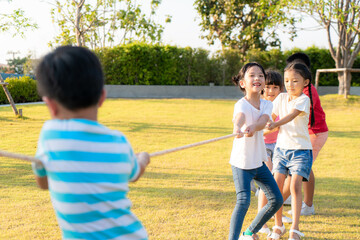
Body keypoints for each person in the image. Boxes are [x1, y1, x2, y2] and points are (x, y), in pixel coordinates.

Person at [31, 46, 150, 240]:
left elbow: (43, 184)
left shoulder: (50, 136)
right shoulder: (119, 142)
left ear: (50, 105)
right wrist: (143, 158)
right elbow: (135, 174)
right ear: (102, 97)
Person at [229, 63, 283, 240]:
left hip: (258, 162)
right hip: (241, 162)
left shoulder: (267, 104)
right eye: (252, 75)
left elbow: (263, 121)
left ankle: (249, 233)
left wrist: (253, 127)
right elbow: (240, 116)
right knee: (243, 202)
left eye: (260, 75)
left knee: (276, 200)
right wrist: (238, 127)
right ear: (243, 83)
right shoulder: (241, 104)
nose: (257, 78)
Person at [267, 63, 314, 240]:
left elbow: (290, 116)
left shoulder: (303, 100)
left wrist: (274, 124)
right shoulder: (280, 98)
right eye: (287, 80)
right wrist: (259, 128)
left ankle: (295, 228)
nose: (290, 84)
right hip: (281, 150)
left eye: (295, 81)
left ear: (305, 82)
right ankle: (278, 226)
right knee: (276, 187)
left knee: (294, 186)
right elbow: (269, 118)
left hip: (300, 151)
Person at [283, 53, 329, 216]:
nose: (291, 80)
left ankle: (278, 202)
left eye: (296, 75)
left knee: (298, 168)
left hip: (315, 133)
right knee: (305, 168)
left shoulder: (308, 92)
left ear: (305, 75)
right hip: (306, 134)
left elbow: (297, 113)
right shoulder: (296, 91)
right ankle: (306, 204)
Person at [257, 70, 292, 235]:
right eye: (268, 87)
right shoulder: (261, 104)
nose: (271, 91)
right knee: (268, 180)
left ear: (281, 89)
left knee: (283, 181)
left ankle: (275, 212)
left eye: (275, 87)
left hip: (280, 146)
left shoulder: (284, 103)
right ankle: (261, 221)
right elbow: (259, 131)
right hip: (262, 146)